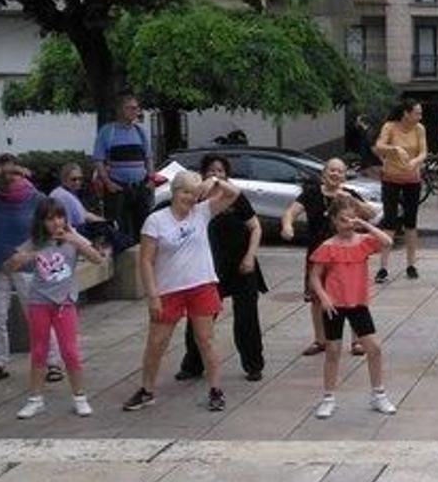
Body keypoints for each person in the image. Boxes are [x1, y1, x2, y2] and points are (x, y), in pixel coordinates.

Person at [126, 170, 243, 413]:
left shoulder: (202, 212)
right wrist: (152, 296)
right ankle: (147, 389)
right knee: (157, 342)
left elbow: (235, 194)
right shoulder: (156, 220)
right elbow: (146, 261)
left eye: (194, 192)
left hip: (201, 284)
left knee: (206, 340)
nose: (190, 198)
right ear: (174, 192)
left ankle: (215, 390)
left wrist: (215, 182)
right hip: (169, 288)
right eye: (185, 192)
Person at [8, 199, 107, 419]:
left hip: (65, 303)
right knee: (39, 351)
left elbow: (97, 259)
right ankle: (35, 399)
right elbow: (9, 265)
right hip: (39, 303)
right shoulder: (35, 241)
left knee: (70, 351)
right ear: (42, 222)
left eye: (59, 217)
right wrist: (22, 258)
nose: (56, 222)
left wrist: (74, 239)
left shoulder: (71, 239)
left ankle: (80, 397)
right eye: (50, 218)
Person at [175, 154, 265, 384]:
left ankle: (253, 365)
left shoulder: (235, 197)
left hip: (242, 265)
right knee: (201, 318)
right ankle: (193, 364)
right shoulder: (197, 201)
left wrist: (250, 257)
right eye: (211, 171)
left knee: (247, 318)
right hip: (209, 269)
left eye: (221, 171)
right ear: (203, 174)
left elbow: (255, 228)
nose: (216, 175)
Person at [308, 197, 398, 419]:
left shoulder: (364, 241)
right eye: (342, 220)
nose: (347, 224)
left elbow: (387, 241)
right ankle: (328, 397)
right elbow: (314, 276)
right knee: (333, 351)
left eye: (350, 219)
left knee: (374, 348)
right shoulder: (327, 247)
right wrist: (324, 297)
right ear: (334, 221)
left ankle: (378, 394)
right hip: (334, 306)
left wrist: (364, 224)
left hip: (357, 304)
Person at [282, 158, 374, 357]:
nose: (335, 174)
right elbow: (290, 212)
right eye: (332, 170)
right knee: (316, 298)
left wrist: (353, 199)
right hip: (319, 253)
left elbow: (370, 214)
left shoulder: (348, 196)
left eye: (340, 171)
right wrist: (287, 225)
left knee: (352, 296)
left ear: (344, 175)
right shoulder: (312, 193)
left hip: (348, 253)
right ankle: (320, 339)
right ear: (324, 173)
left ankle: (357, 341)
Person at [0, 156, 64, 388]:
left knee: (36, 315)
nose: (9, 178)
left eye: (14, 173)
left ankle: (52, 362)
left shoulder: (37, 199)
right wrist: (4, 170)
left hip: (27, 265)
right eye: (4, 174)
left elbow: (53, 229)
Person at [373, 98, 428, 282]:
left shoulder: (419, 128)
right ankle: (383, 268)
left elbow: (423, 152)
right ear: (406, 113)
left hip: (412, 179)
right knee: (389, 222)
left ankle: (411, 264)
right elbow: (379, 147)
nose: (420, 116)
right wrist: (395, 149)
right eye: (417, 113)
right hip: (391, 179)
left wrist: (415, 161)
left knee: (410, 222)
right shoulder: (390, 126)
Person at [92, 93, 154, 244]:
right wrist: (108, 183)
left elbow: (149, 158)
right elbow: (98, 160)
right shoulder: (107, 132)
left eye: (137, 108)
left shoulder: (140, 131)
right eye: (131, 108)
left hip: (140, 187)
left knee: (144, 227)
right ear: (120, 110)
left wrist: (151, 180)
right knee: (119, 227)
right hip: (117, 188)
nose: (135, 111)